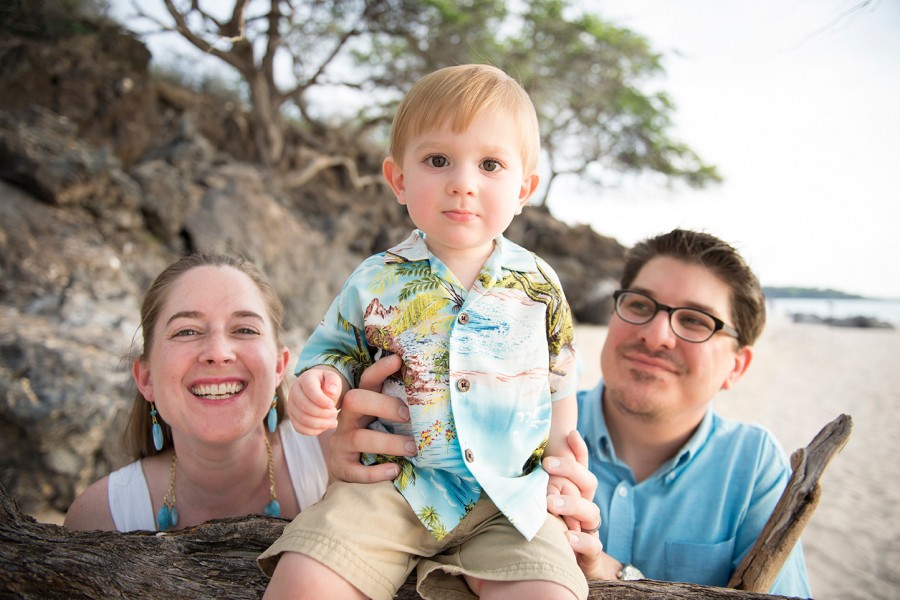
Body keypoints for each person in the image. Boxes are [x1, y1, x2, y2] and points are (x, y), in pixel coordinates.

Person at [325, 229, 813, 597]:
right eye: (640, 305)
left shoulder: (752, 465)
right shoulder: (510, 426)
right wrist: (353, 456)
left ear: (737, 365)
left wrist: (608, 573)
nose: (657, 334)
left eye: (694, 321)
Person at [260, 64, 586, 600]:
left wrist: (560, 467)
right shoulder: (375, 279)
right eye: (438, 160)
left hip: (507, 500)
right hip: (392, 487)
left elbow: (559, 382)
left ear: (525, 187)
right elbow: (336, 352)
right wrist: (318, 385)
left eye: (490, 164)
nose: (463, 181)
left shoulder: (540, 286)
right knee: (307, 577)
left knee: (548, 591)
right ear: (399, 179)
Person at [64, 254, 328, 532]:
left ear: (278, 366)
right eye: (187, 332)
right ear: (146, 377)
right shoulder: (100, 518)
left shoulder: (336, 457)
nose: (217, 353)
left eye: (245, 329)